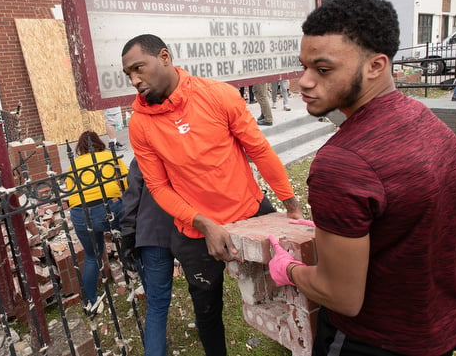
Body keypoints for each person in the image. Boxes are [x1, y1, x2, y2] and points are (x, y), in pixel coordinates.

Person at [268, 0, 456, 356]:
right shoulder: (428, 122)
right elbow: (407, 222)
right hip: (445, 324)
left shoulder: (342, 162)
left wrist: (288, 269)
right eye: (302, 67)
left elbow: (341, 296)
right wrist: (333, 232)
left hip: (378, 339)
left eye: (322, 69)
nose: (303, 82)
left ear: (376, 66)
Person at [121, 34, 302, 356]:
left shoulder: (218, 95)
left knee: (289, 284)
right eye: (129, 75)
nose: (135, 80)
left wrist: (290, 202)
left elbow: (258, 150)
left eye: (139, 68)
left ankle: (296, 343)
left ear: (164, 57)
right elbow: (159, 187)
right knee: (206, 308)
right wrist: (203, 223)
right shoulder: (140, 124)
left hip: (250, 209)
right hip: (194, 229)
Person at [65, 130, 128, 313]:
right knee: (130, 241)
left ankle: (90, 301)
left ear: (80, 148)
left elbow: (70, 194)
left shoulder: (74, 165)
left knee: (92, 255)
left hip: (80, 213)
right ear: (99, 143)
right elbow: (126, 183)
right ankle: (148, 286)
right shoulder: (110, 157)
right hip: (108, 207)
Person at [119, 158, 175, 356]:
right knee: (201, 293)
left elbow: (132, 197)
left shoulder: (144, 154)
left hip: (155, 231)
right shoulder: (186, 143)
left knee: (157, 304)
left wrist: (128, 233)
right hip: (184, 228)